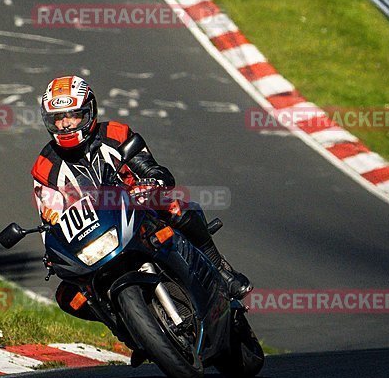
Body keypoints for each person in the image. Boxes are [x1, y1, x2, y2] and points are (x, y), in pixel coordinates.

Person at [31, 75, 252, 326]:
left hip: (138, 210)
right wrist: (53, 252)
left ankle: (221, 270)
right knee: (68, 296)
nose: (66, 124)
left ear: (89, 111)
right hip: (94, 237)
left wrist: (153, 180)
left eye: (73, 115)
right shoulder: (44, 166)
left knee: (175, 205)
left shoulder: (115, 133)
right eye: (58, 119)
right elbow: (51, 220)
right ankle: (124, 326)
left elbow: (151, 168)